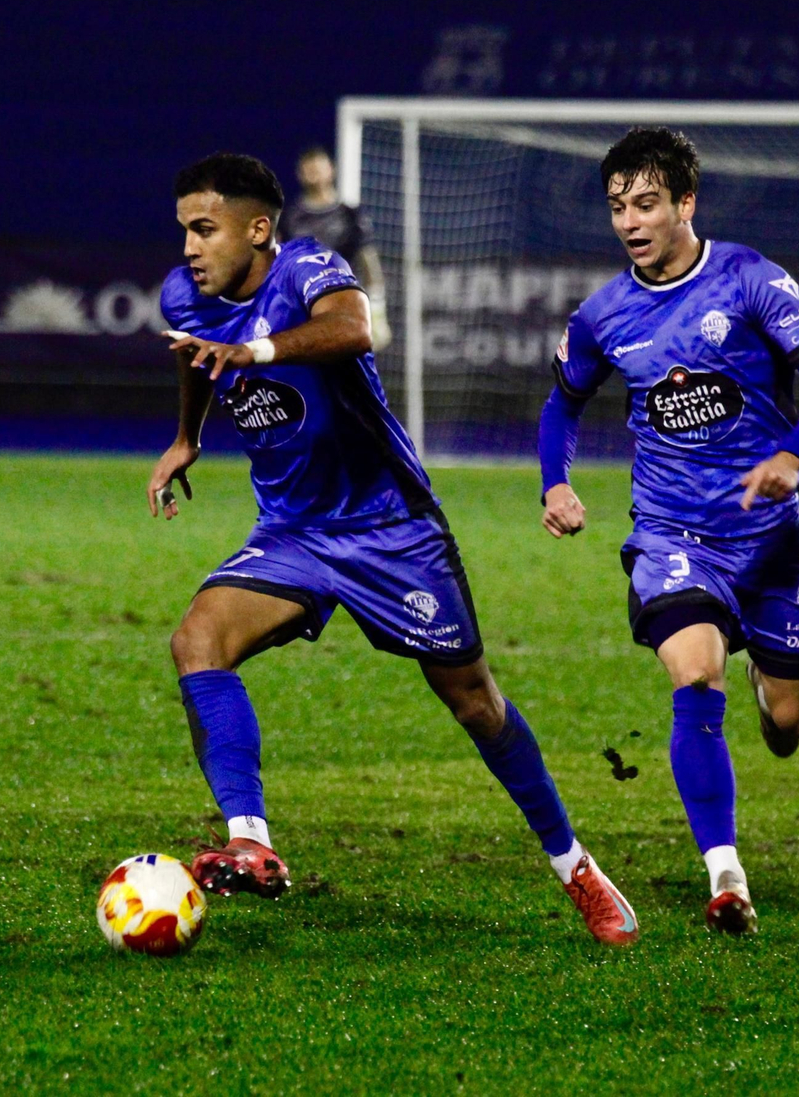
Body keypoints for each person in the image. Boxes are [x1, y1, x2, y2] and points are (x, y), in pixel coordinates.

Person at [149, 151, 637, 946]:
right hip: (295, 532)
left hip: (391, 529)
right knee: (196, 641)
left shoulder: (310, 267)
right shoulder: (186, 296)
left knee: (475, 701)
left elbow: (354, 328)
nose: (191, 248)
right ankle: (252, 841)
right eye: (185, 232)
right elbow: (195, 354)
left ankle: (576, 866)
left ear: (258, 229)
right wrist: (186, 437)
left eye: (206, 229)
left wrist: (260, 351)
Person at [536, 128, 799, 935]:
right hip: (675, 535)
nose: (630, 222)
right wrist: (557, 480)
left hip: (776, 538)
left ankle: (772, 681)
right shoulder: (605, 313)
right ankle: (726, 876)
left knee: (791, 726)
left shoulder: (751, 279)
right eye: (617, 207)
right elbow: (562, 403)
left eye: (646, 203)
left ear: (685, 203)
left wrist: (791, 453)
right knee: (694, 677)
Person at [277, 146, 392, 350]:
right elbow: (276, 264)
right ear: (299, 174)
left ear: (332, 170)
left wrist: (377, 311)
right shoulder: (289, 218)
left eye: (318, 167)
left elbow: (369, 262)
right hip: (304, 311)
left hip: (345, 307)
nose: (314, 173)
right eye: (308, 168)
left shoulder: (350, 215)